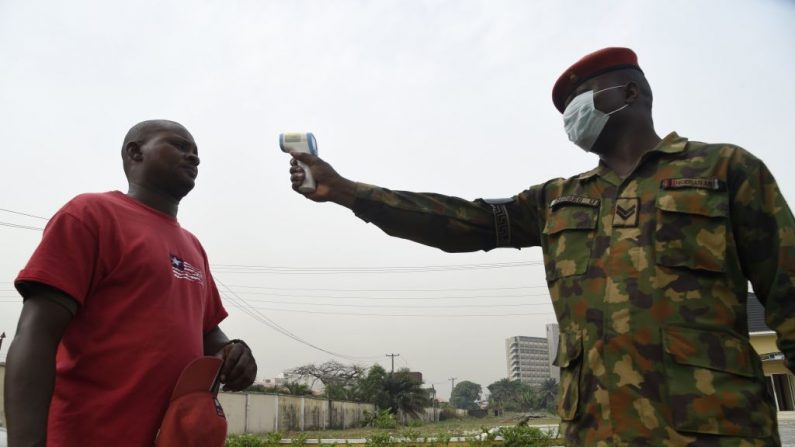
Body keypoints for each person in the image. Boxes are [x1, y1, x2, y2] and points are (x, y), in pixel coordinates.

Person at [288, 48, 795, 446]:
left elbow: (789, 289)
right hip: (594, 432)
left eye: (582, 100)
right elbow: (461, 221)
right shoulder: (557, 199)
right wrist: (349, 191)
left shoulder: (724, 170)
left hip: (717, 430)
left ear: (631, 91)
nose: (572, 117)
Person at [5, 120, 258, 446]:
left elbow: (208, 333)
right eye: (180, 146)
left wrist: (233, 351)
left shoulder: (192, 246)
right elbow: (36, 334)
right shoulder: (90, 215)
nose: (193, 157)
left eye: (196, 152)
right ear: (135, 152)